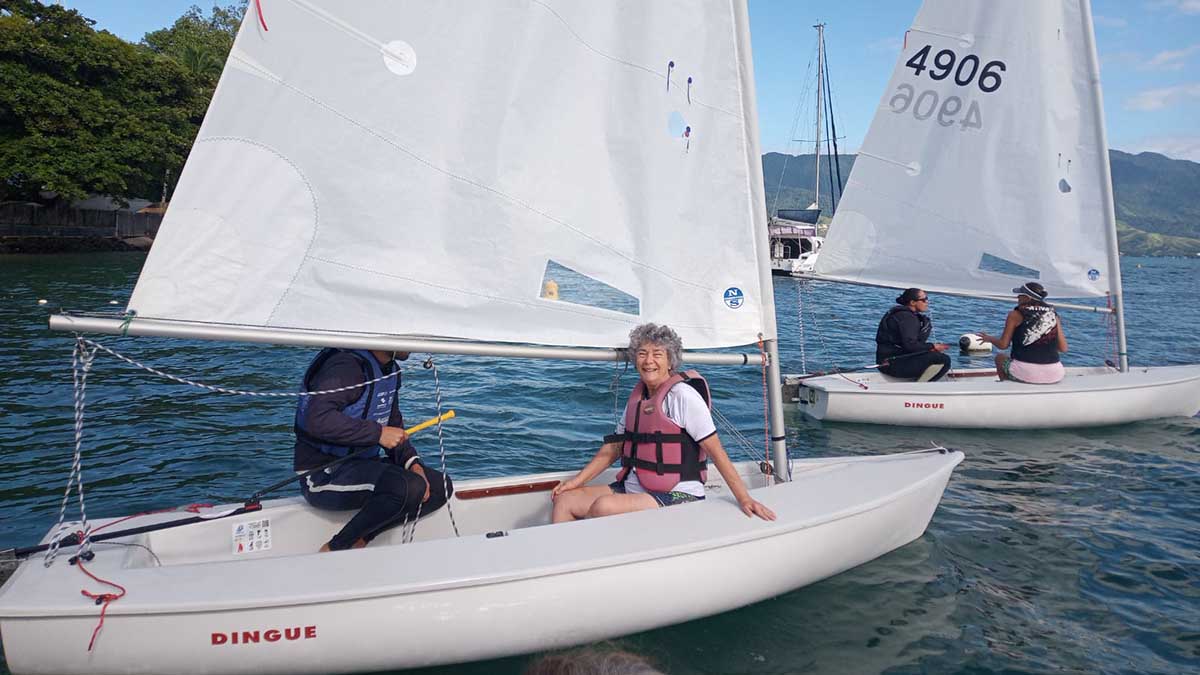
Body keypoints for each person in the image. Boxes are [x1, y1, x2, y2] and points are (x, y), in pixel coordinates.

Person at [551, 323, 776, 523]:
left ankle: (594, 559)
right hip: (635, 489)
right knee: (566, 500)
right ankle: (562, 565)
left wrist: (744, 498)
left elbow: (716, 452)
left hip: (680, 495)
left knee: (604, 507)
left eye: (657, 354)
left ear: (670, 361)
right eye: (642, 354)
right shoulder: (638, 399)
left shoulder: (682, 396)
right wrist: (576, 482)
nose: (649, 361)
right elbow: (613, 449)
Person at [294, 348, 452, 551]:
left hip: (362, 466)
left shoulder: (390, 370)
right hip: (321, 474)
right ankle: (335, 547)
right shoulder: (346, 368)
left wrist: (413, 463)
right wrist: (378, 434)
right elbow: (317, 418)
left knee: (439, 486)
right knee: (408, 487)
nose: (416, 346)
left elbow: (393, 424)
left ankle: (362, 538)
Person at [978, 282, 1069, 384]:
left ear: (1027, 298)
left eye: (1020, 295)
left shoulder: (1015, 315)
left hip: (1027, 373)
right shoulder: (1053, 315)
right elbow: (1063, 348)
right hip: (1055, 373)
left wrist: (989, 338)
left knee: (1000, 358)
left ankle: (1006, 386)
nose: (1018, 298)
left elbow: (1003, 345)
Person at [875, 288, 952, 382]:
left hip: (888, 361)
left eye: (927, 299)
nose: (927, 302)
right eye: (924, 300)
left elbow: (908, 345)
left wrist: (929, 348)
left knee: (933, 354)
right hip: (892, 365)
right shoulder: (907, 318)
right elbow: (910, 345)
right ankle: (921, 387)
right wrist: (933, 346)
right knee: (943, 359)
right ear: (912, 302)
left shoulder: (900, 314)